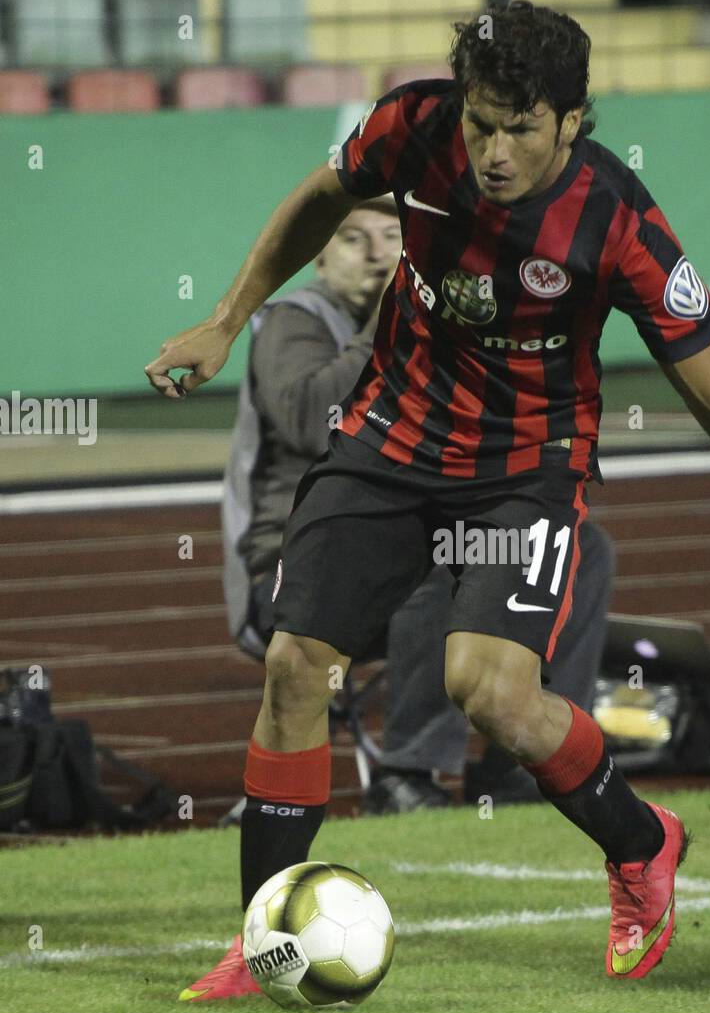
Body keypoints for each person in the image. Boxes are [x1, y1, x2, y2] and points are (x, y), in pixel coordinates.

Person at [146, 2, 710, 1001]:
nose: (494, 151)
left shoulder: (621, 222)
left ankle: (641, 843)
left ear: (573, 122)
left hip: (524, 467)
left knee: (490, 693)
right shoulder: (412, 124)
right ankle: (263, 939)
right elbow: (318, 199)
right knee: (293, 665)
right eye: (482, 122)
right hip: (388, 442)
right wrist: (225, 319)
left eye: (521, 128)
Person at [222, 192, 616, 816]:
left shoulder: (441, 323)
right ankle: (409, 770)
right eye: (355, 239)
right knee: (444, 560)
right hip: (293, 556)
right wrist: (390, 320)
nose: (379, 254)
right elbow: (309, 419)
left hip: (395, 531)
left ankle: (524, 756)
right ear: (319, 258)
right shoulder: (294, 320)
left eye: (392, 238)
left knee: (578, 546)